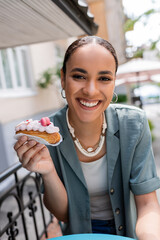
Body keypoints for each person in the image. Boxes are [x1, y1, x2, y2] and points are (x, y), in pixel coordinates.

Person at [14, 36, 160, 239]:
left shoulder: (134, 124)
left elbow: (147, 203)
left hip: (130, 231)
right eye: (79, 76)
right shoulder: (49, 135)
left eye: (104, 78)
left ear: (113, 83)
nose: (91, 91)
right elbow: (63, 215)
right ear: (63, 78)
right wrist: (48, 172)